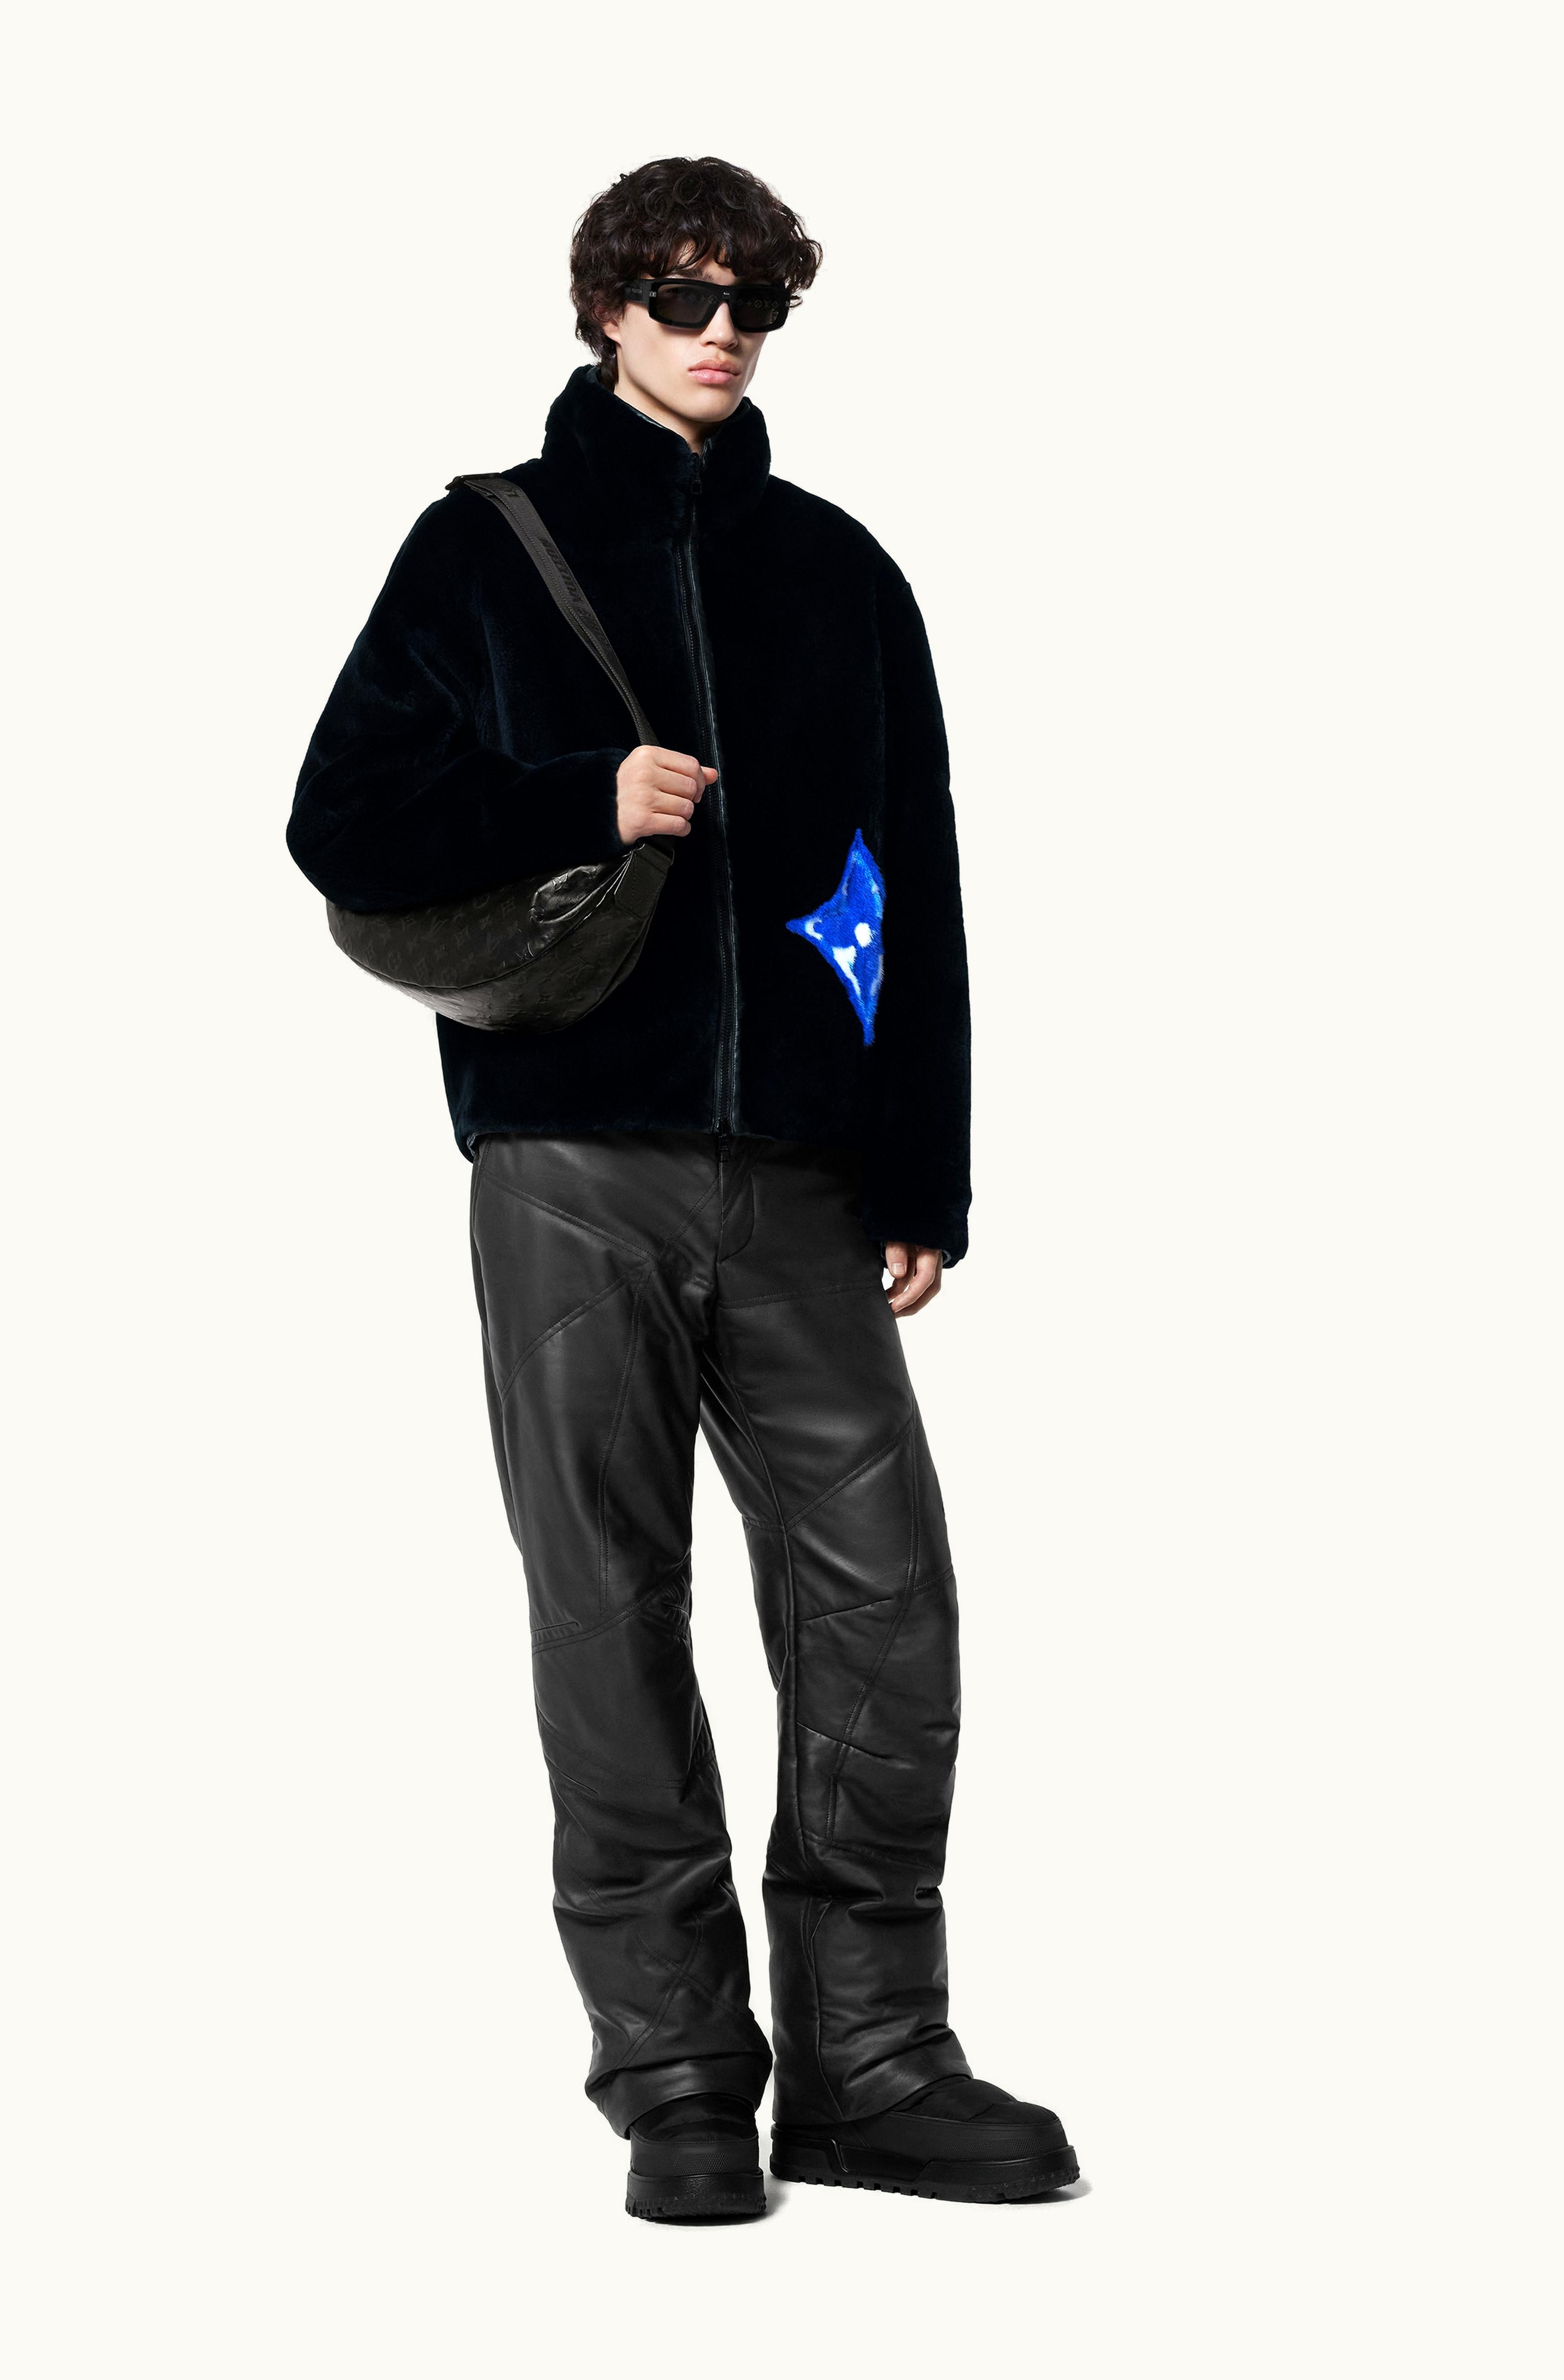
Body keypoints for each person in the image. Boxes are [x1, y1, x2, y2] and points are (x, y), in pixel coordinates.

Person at [287, 154, 1078, 2219]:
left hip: (802, 1173)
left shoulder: (841, 572)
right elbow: (339, 819)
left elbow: (916, 877)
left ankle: (875, 2061)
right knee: (610, 1605)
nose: (720, 331)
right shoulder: (489, 545)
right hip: (569, 1158)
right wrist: (580, 793)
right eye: (680, 296)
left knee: (886, 1602)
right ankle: (677, 2077)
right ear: (606, 310)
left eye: (753, 303)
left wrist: (924, 1167)